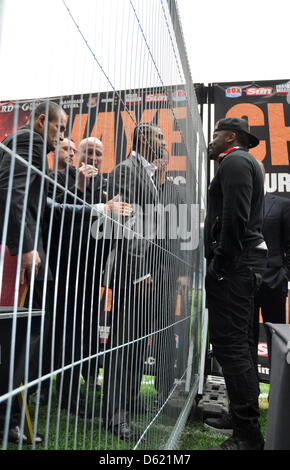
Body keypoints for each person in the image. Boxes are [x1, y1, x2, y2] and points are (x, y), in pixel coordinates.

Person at [46, 136, 131, 415]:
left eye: (98, 154)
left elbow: (111, 224)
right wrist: (80, 185)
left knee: (84, 330)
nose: (92, 158)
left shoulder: (105, 185)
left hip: (92, 269)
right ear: (77, 154)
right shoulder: (58, 176)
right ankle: (64, 396)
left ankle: (79, 387)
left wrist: (118, 214)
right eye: (87, 152)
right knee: (65, 331)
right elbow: (58, 214)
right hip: (64, 266)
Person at [103, 123, 177, 439]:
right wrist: (140, 272)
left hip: (149, 275)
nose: (164, 142)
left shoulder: (147, 173)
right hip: (131, 275)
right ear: (144, 139)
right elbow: (125, 224)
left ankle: (130, 401)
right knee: (122, 347)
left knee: (135, 346)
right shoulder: (125, 169)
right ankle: (114, 416)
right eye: (160, 137)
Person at [0, 101, 67, 443]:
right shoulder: (32, 142)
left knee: (20, 338)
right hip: (17, 257)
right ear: (43, 121)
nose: (62, 136)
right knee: (19, 340)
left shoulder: (24, 140)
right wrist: (27, 247)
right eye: (61, 128)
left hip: (18, 253)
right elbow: (14, 194)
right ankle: (8, 420)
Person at [204, 117, 268, 450]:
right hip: (243, 264)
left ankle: (247, 435)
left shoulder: (235, 161)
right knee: (240, 344)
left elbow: (234, 218)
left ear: (230, 136)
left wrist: (220, 263)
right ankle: (241, 415)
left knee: (232, 346)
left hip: (236, 265)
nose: (210, 141)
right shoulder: (241, 162)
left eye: (215, 135)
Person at [254, 162, 290, 362]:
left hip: (274, 282)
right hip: (245, 284)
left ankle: (277, 392)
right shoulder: (238, 205)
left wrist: (284, 274)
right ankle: (248, 391)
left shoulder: (282, 205)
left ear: (263, 175)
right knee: (245, 339)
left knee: (275, 339)